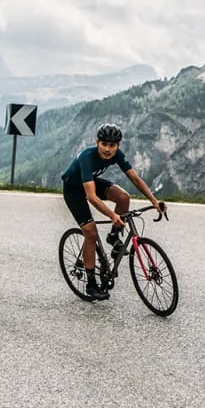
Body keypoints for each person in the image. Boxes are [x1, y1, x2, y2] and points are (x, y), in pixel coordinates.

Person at [61, 122, 166, 301]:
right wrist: (112, 215)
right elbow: (92, 197)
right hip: (74, 190)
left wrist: (154, 201)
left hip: (91, 183)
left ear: (118, 146)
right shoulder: (87, 157)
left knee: (124, 197)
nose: (108, 149)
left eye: (112, 145)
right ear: (97, 143)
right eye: (104, 144)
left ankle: (113, 237)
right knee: (91, 232)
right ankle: (91, 283)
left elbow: (135, 178)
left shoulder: (117, 155)